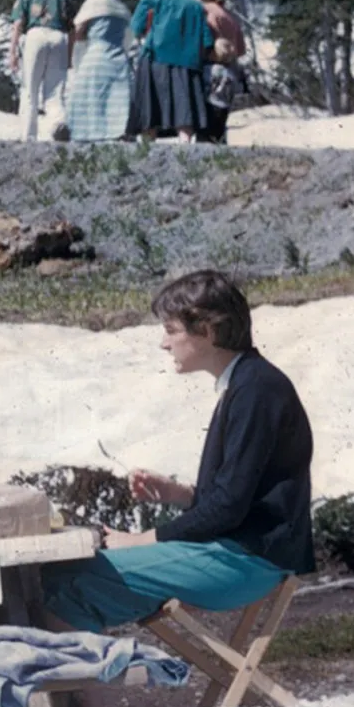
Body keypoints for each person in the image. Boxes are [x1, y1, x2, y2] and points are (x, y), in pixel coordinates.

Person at [41, 271, 314, 632]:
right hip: (240, 554)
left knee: (69, 580)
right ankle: (67, 679)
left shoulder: (255, 390)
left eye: (171, 330)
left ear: (209, 331)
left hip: (245, 562)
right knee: (68, 575)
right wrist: (181, 494)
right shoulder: (246, 384)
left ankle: (64, 683)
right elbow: (241, 498)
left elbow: (230, 508)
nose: (164, 344)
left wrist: (141, 540)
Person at [128, 0, 213, 142]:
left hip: (155, 59)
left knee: (149, 109)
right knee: (185, 111)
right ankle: (185, 147)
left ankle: (147, 149)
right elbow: (207, 41)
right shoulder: (196, 5)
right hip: (188, 63)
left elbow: (136, 26)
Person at [65, 0, 133, 143]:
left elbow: (79, 28)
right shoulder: (120, 4)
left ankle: (85, 134)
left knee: (88, 95)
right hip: (118, 56)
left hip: (97, 53)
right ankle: (114, 132)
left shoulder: (95, 1)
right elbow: (129, 35)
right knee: (114, 97)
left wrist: (77, 49)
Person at [8, 0, 69, 142]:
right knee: (54, 89)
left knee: (30, 88)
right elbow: (72, 25)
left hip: (35, 36)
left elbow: (18, 23)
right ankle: (58, 123)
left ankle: (29, 135)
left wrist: (13, 51)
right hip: (59, 37)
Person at [196, 0, 247, 145]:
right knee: (220, 126)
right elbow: (241, 50)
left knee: (206, 128)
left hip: (211, 70)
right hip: (230, 73)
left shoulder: (206, 12)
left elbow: (202, 39)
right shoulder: (230, 17)